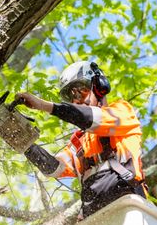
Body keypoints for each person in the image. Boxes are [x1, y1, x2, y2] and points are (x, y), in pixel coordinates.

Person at [16, 60, 147, 217]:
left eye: (80, 92)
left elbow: (89, 118)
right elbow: (54, 168)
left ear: (99, 87)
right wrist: (25, 144)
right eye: (71, 97)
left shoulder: (121, 113)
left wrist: (44, 105)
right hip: (95, 215)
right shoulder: (78, 142)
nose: (76, 101)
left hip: (129, 203)